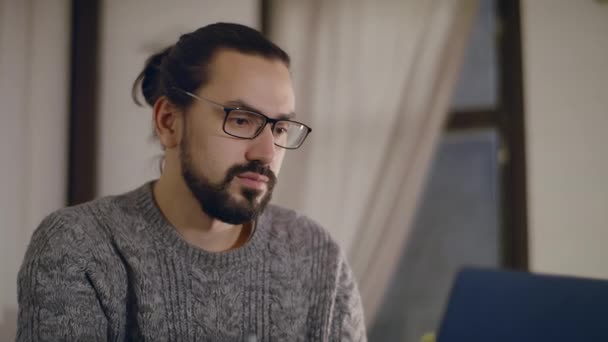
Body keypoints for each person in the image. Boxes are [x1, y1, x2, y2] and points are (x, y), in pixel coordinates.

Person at [17, 22, 366, 341]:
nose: (266, 152)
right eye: (242, 120)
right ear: (169, 122)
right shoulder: (79, 247)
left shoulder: (318, 256)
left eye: (279, 128)